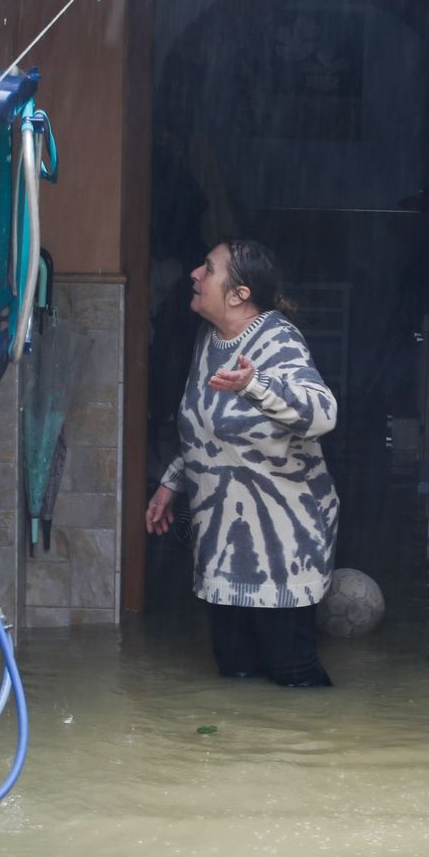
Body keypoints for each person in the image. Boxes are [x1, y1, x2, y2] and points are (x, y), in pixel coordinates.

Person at [145, 239, 340, 687]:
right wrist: (171, 481)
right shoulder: (208, 340)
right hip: (222, 544)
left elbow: (323, 414)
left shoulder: (278, 338)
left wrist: (255, 384)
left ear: (239, 294)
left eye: (208, 270)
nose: (194, 273)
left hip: (283, 547)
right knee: (234, 674)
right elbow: (206, 426)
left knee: (295, 679)